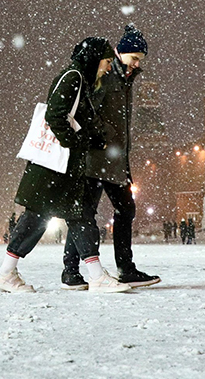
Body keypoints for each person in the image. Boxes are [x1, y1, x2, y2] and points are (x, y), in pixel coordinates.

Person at [0, 37, 131, 293]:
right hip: (54, 168)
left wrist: (94, 138)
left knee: (70, 217)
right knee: (44, 218)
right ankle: (7, 273)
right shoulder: (73, 77)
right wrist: (76, 142)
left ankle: (94, 275)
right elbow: (55, 115)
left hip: (61, 168)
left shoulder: (80, 79)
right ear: (94, 59)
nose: (106, 68)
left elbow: (79, 118)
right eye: (105, 62)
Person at [62, 26, 159, 289]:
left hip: (116, 159)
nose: (138, 63)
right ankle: (70, 272)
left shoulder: (127, 77)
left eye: (141, 59)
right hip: (96, 157)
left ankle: (125, 268)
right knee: (85, 214)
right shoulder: (105, 73)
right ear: (121, 52)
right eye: (135, 58)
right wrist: (104, 134)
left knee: (125, 209)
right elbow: (86, 108)